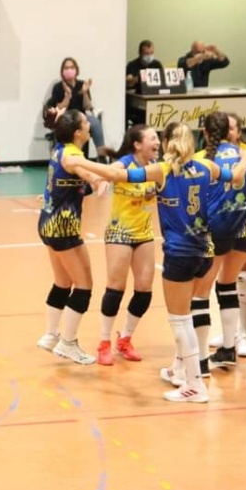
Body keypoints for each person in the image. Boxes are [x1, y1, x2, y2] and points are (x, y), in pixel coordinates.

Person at [74, 122, 246, 403]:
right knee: (190, 313)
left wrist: (81, 162)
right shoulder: (207, 166)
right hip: (205, 251)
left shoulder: (164, 170)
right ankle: (179, 370)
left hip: (180, 253)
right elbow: (238, 176)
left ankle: (194, 384)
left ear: (169, 142)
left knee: (180, 321)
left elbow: (116, 174)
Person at [36, 109, 109, 365]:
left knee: (62, 282)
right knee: (84, 285)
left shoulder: (60, 148)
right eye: (86, 123)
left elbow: (74, 184)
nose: (90, 125)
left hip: (48, 222)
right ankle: (67, 344)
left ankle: (50, 336)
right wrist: (101, 180)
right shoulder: (74, 156)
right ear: (78, 132)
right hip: (64, 226)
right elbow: (88, 174)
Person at [189, 112, 246, 371]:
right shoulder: (244, 152)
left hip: (217, 228)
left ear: (205, 133)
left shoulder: (201, 159)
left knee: (200, 292)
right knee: (227, 284)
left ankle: (200, 360)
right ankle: (228, 349)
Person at [95, 125, 159, 366]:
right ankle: (104, 343)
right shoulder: (124, 164)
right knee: (116, 288)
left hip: (144, 233)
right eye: (152, 138)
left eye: (158, 138)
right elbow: (108, 172)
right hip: (119, 232)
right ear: (137, 144)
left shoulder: (155, 167)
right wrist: (101, 180)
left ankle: (125, 338)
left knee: (144, 290)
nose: (157, 142)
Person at [208, 112, 246, 357]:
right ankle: (229, 335)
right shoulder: (211, 156)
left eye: (233, 128)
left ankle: (243, 334)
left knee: (245, 277)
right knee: (225, 281)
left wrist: (241, 210)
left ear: (239, 132)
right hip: (227, 222)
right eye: (226, 128)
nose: (229, 132)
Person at [45, 57, 109, 161]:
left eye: (71, 67)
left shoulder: (82, 84)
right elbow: (59, 107)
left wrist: (85, 92)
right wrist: (67, 96)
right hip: (66, 118)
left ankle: (102, 156)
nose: (69, 70)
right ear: (62, 71)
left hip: (81, 116)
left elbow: (87, 106)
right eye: (66, 68)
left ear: (76, 70)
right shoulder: (58, 87)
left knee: (95, 123)